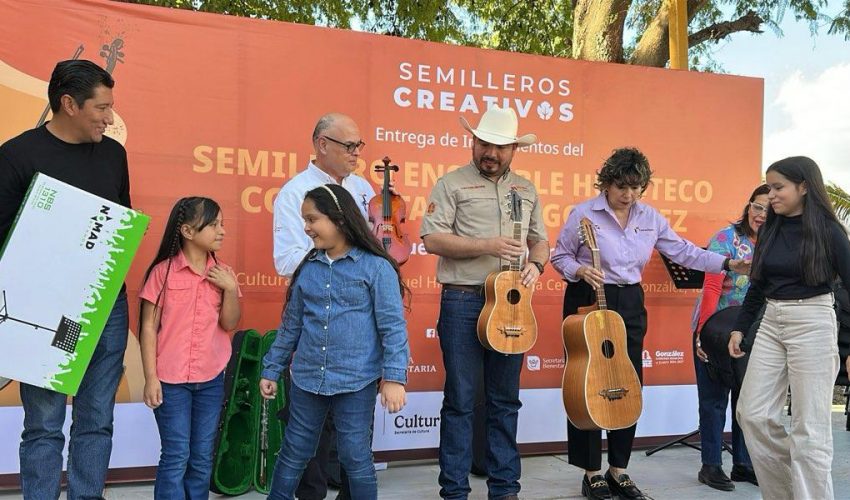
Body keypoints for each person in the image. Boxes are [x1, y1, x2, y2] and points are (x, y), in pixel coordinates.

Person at [550, 147, 750, 500]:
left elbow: (685, 252)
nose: (629, 195)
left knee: (627, 383)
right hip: (588, 295)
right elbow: (560, 255)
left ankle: (619, 470)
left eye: (636, 187)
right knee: (587, 383)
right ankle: (591, 472)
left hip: (629, 300)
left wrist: (729, 265)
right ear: (607, 183)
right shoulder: (583, 213)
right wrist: (578, 269)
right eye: (622, 187)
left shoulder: (651, 217)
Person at [0, 60, 131, 500]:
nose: (110, 118)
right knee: (43, 423)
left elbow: (121, 217)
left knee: (96, 418)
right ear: (69, 103)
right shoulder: (17, 156)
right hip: (43, 310)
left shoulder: (114, 154)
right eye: (102, 107)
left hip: (106, 305)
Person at [421, 106, 549, 500]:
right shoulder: (450, 184)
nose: (489, 152)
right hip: (463, 302)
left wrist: (538, 265)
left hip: (512, 302)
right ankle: (455, 491)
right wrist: (487, 246)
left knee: (505, 400)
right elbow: (432, 239)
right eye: (483, 143)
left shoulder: (526, 189)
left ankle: (505, 489)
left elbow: (538, 239)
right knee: (460, 400)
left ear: (513, 149)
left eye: (499, 146)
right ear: (472, 142)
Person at [260, 184, 410, 500]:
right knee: (294, 451)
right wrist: (271, 368)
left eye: (313, 219)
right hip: (307, 379)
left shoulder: (376, 267)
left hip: (356, 381)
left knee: (355, 457)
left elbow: (393, 328)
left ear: (339, 219)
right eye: (305, 220)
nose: (306, 227)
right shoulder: (308, 268)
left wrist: (394, 378)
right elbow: (290, 327)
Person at [729, 156, 850, 499]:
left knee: (809, 432)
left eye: (778, 187)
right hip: (771, 321)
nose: (771, 195)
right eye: (769, 187)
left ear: (804, 187)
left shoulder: (829, 231)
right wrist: (740, 327)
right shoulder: (771, 227)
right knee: (751, 414)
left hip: (814, 322)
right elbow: (758, 283)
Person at [272, 112, 375, 500]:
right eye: (349, 146)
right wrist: (338, 259)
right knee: (307, 430)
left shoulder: (364, 188)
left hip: (360, 322)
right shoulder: (294, 192)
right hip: (316, 319)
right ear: (322, 144)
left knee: (355, 431)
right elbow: (286, 260)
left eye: (359, 146)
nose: (356, 154)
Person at [138, 196, 242, 499]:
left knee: (201, 457)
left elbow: (230, 323)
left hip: (210, 379)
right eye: (212, 225)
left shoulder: (224, 273)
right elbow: (148, 328)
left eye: (222, 224)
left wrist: (230, 289)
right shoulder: (163, 273)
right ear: (186, 230)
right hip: (170, 382)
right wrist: (151, 378)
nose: (221, 231)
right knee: (175, 455)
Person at [691, 184, 769, 491]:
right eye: (758, 207)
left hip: (750, 331)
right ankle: (710, 465)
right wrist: (701, 335)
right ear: (749, 206)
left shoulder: (774, 244)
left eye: (769, 209)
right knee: (713, 400)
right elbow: (711, 287)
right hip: (713, 328)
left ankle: (743, 464)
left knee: (746, 399)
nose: (762, 215)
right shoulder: (726, 238)